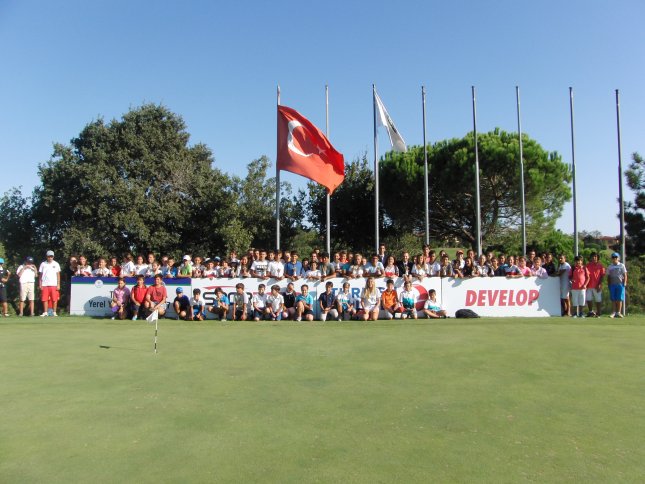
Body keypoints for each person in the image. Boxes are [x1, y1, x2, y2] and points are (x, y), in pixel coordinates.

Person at [39, 250, 61, 317]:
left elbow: (58, 274)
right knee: (44, 299)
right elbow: (40, 275)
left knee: (54, 299)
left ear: (53, 257)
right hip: (45, 284)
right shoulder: (43, 264)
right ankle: (45, 312)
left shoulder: (56, 264)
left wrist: (58, 284)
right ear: (47, 256)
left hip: (53, 284)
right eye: (49, 256)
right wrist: (40, 284)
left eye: (51, 256)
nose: (50, 258)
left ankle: (54, 312)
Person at [607, 252, 628, 318]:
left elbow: (625, 275)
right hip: (612, 284)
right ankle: (613, 312)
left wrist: (624, 282)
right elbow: (608, 276)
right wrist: (609, 284)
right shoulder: (610, 266)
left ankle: (618, 312)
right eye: (613, 257)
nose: (614, 259)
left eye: (616, 257)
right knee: (613, 299)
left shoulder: (622, 265)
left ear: (618, 258)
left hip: (620, 284)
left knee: (619, 299)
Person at [585, 252, 605, 317]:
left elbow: (602, 276)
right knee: (588, 298)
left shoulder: (601, 266)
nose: (594, 258)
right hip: (589, 285)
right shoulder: (587, 265)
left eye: (595, 256)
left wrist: (599, 284)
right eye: (593, 256)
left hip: (597, 286)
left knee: (598, 299)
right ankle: (590, 311)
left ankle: (598, 312)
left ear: (597, 258)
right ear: (591, 257)